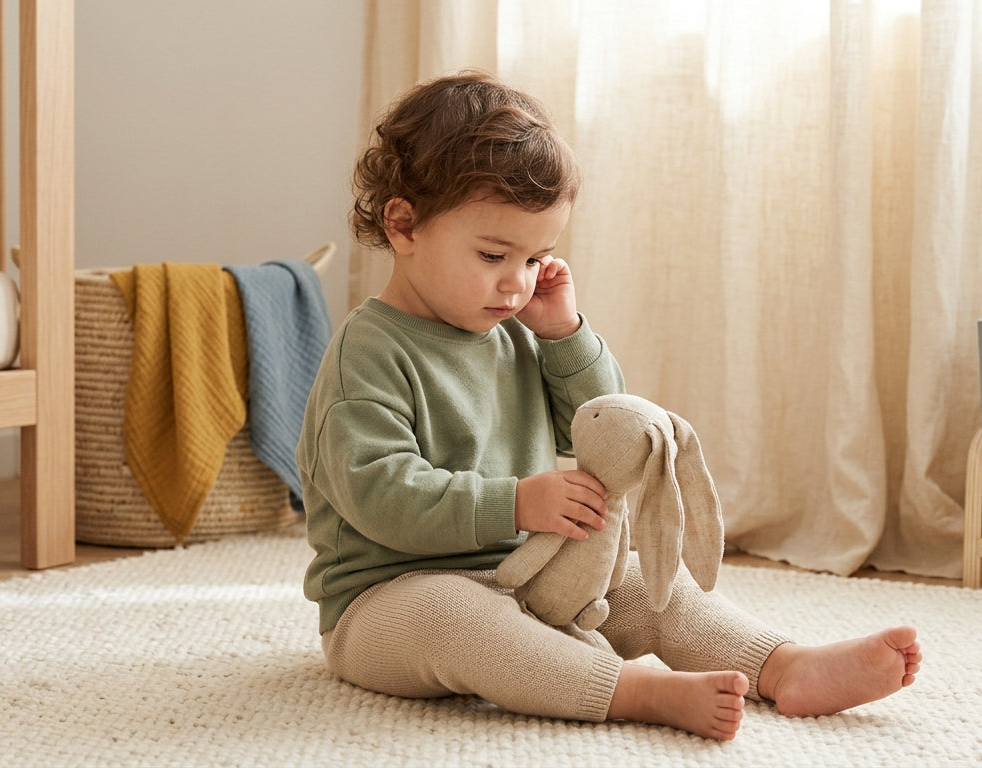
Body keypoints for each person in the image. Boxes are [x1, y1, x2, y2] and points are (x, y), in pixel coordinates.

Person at [296, 69, 920, 741]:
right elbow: (381, 494)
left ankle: (783, 664)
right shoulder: (368, 353)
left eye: (538, 257)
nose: (517, 283)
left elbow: (605, 426)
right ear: (403, 225)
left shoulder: (514, 331)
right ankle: (635, 691)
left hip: (528, 572)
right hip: (387, 601)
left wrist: (564, 333)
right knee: (458, 618)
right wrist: (515, 503)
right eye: (493, 253)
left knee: (647, 583)